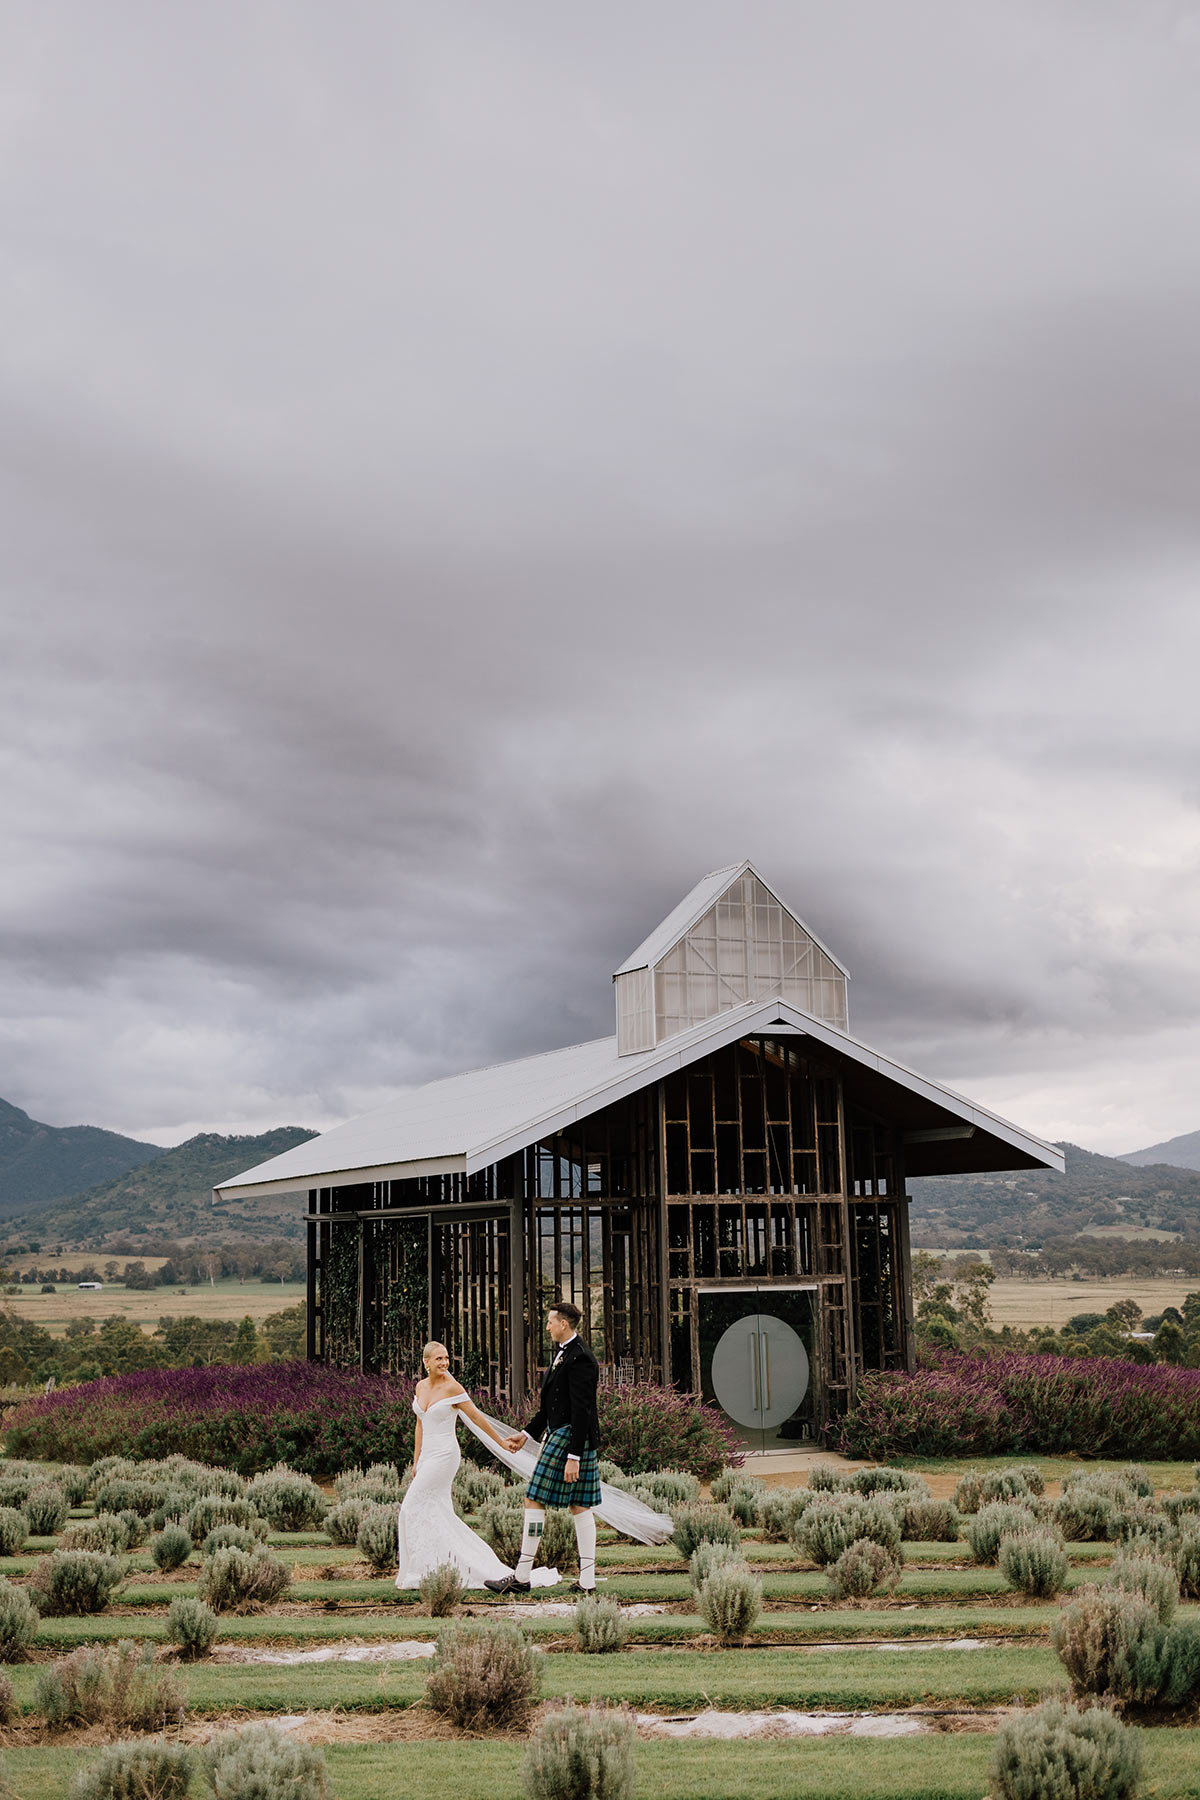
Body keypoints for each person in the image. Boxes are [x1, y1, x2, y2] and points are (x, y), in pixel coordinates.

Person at [395, 1340, 560, 1591]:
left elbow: (476, 1418)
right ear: (426, 1362)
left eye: (446, 1358)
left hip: (444, 1455)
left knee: (409, 1508)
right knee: (435, 1513)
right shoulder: (420, 1387)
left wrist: (501, 1443)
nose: (444, 1363)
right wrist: (416, 1460)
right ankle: (433, 1568)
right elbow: (420, 1424)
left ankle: (427, 1570)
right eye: (438, 1359)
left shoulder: (453, 1388)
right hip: (427, 1456)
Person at [485, 1301, 602, 1596]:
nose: (547, 1326)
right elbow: (551, 1406)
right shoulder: (564, 1355)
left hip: (570, 1437)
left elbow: (582, 1411)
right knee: (579, 1505)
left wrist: (574, 1456)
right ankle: (586, 1583)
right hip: (560, 1433)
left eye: (551, 1321)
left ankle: (522, 1577)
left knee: (535, 1499)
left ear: (564, 1324)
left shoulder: (581, 1358)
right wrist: (526, 1434)